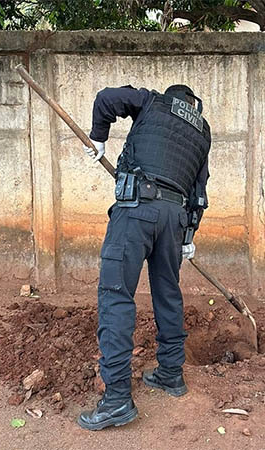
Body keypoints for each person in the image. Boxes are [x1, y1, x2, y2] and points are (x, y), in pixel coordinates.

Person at [76, 84, 211, 431]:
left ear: (171, 97)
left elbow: (106, 98)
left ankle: (117, 398)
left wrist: (99, 138)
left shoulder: (152, 101)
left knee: (116, 296)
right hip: (174, 219)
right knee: (168, 294)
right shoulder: (201, 131)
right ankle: (170, 373)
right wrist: (188, 237)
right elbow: (199, 192)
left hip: (136, 208)